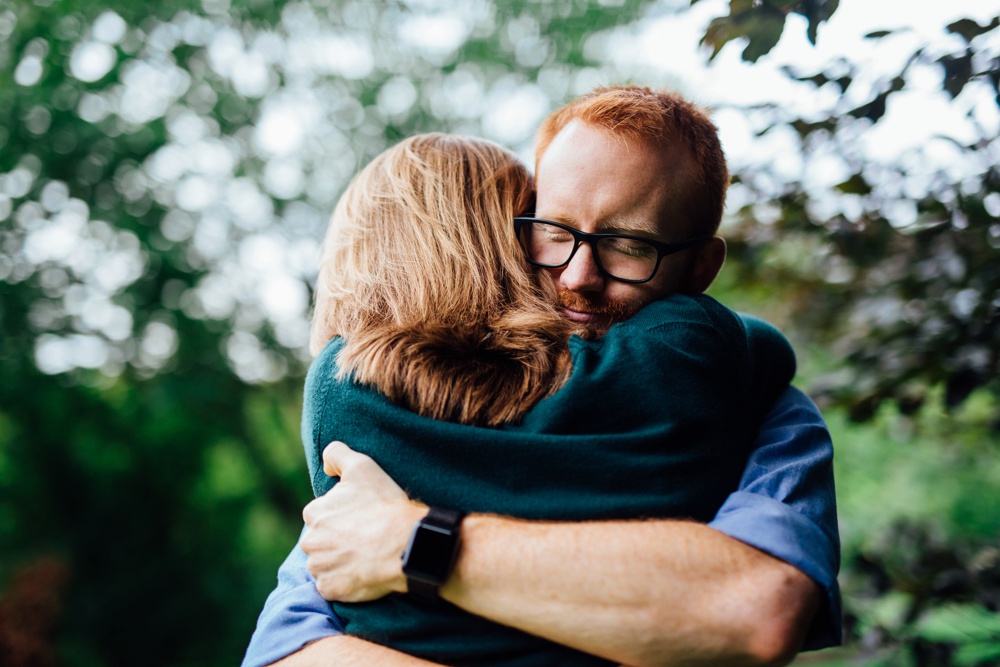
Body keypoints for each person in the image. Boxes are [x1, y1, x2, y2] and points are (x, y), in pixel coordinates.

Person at [243, 86, 841, 667]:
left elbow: (758, 611)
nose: (578, 276)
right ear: (506, 246)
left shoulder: (773, 421)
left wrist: (411, 539)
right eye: (552, 233)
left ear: (702, 268)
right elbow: (286, 649)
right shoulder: (714, 357)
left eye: (628, 244)